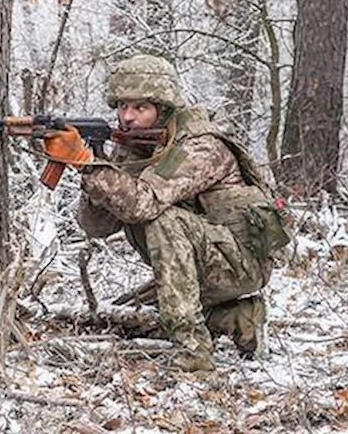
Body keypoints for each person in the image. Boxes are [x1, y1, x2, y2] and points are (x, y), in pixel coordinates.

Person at [75, 54, 289, 372]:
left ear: (164, 109)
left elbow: (143, 204)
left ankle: (194, 351)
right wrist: (95, 171)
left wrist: (92, 169)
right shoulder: (136, 148)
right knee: (124, 317)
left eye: (140, 108)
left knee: (162, 218)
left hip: (240, 264)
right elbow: (97, 226)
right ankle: (240, 318)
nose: (128, 117)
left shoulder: (200, 148)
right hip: (200, 266)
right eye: (122, 106)